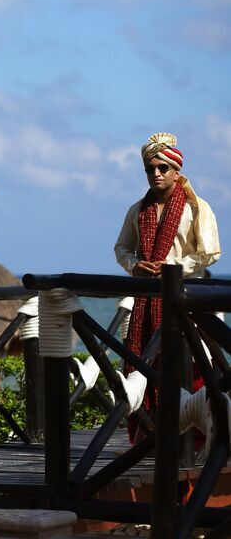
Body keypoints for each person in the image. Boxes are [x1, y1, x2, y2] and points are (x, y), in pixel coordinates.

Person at [114, 132, 221, 441]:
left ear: (177, 171)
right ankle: (149, 438)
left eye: (162, 168)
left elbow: (210, 252)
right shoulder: (137, 210)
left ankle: (194, 442)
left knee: (193, 369)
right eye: (151, 169)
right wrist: (135, 265)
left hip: (189, 304)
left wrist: (174, 268)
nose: (156, 174)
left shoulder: (195, 208)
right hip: (147, 305)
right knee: (144, 365)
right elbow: (122, 248)